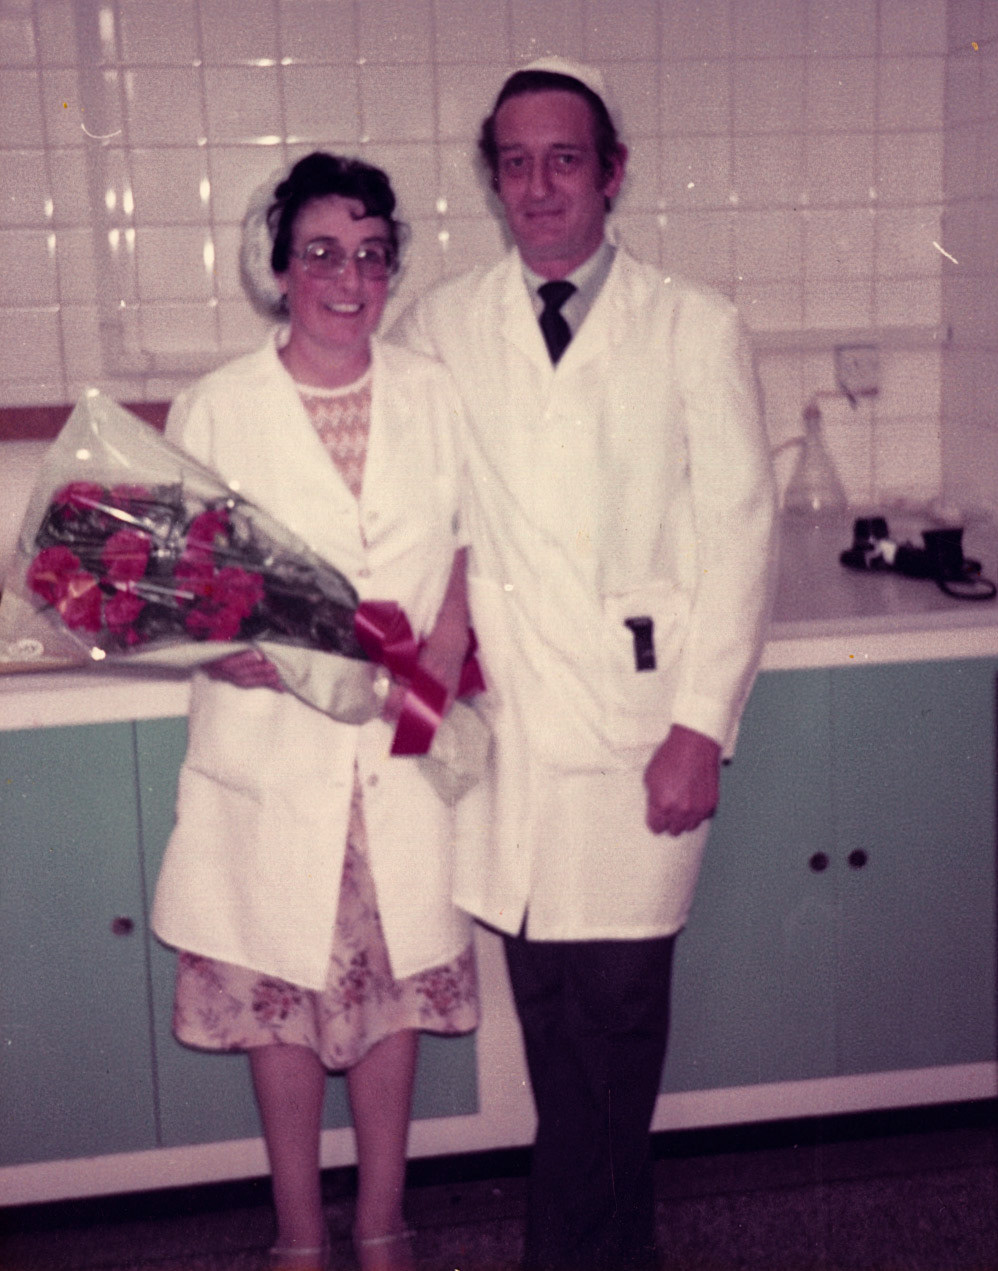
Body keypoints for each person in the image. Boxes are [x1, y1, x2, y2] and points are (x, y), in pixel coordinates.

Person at [393, 58, 777, 1271]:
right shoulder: (445, 322)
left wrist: (699, 724)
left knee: (610, 1030)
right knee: (556, 1028)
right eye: (514, 161)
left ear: (612, 172)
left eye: (565, 158)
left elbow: (739, 533)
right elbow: (391, 481)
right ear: (491, 178)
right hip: (512, 739)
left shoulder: (692, 324)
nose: (538, 184)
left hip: (637, 729)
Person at [151, 152, 478, 1271]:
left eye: (371, 255)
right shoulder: (218, 405)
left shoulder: (435, 390)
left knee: (391, 1000)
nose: (349, 278)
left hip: (403, 732)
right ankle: (298, 1236)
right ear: (279, 266)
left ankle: (383, 1224)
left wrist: (446, 638)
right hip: (273, 749)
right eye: (322, 252)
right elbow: (168, 579)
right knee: (279, 997)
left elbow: (477, 540)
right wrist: (219, 643)